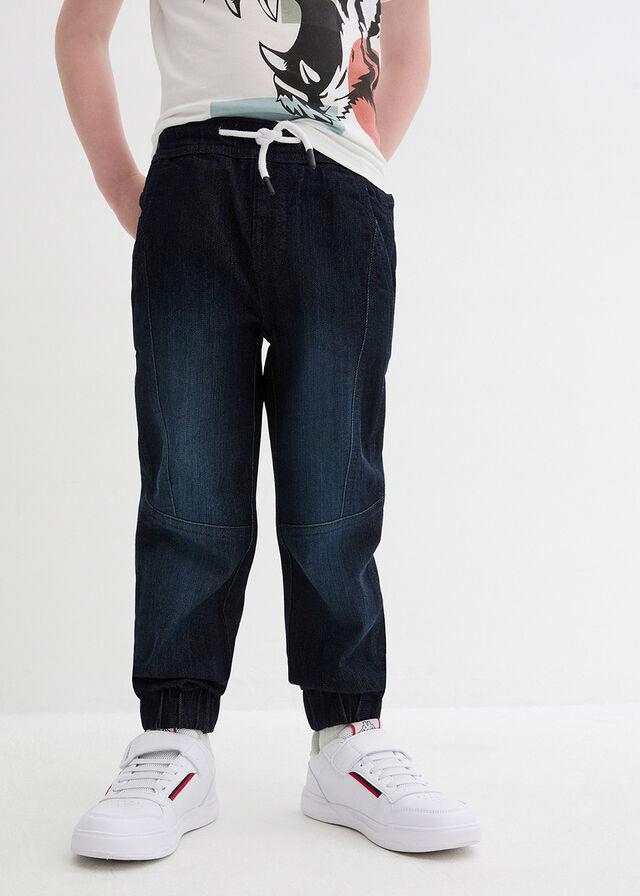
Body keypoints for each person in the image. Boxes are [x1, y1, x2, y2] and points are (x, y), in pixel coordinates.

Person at [55, 0, 480, 859]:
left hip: (340, 190)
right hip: (192, 181)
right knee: (188, 479)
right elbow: (81, 31)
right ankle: (173, 737)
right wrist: (126, 189)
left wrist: (355, 165)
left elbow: (407, 48)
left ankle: (349, 735)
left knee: (335, 484)